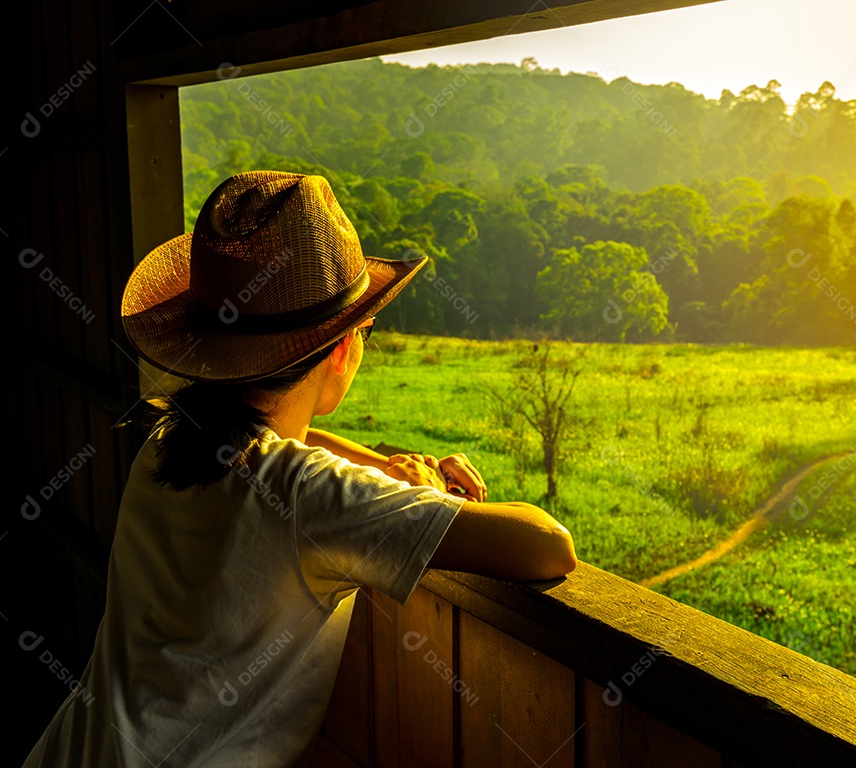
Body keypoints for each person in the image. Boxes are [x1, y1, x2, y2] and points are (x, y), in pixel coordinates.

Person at [22, 170, 576, 767]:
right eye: (366, 328)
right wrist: (427, 491)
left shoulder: (170, 436)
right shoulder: (308, 498)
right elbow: (546, 545)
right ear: (341, 348)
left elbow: (294, 444)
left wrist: (381, 469)